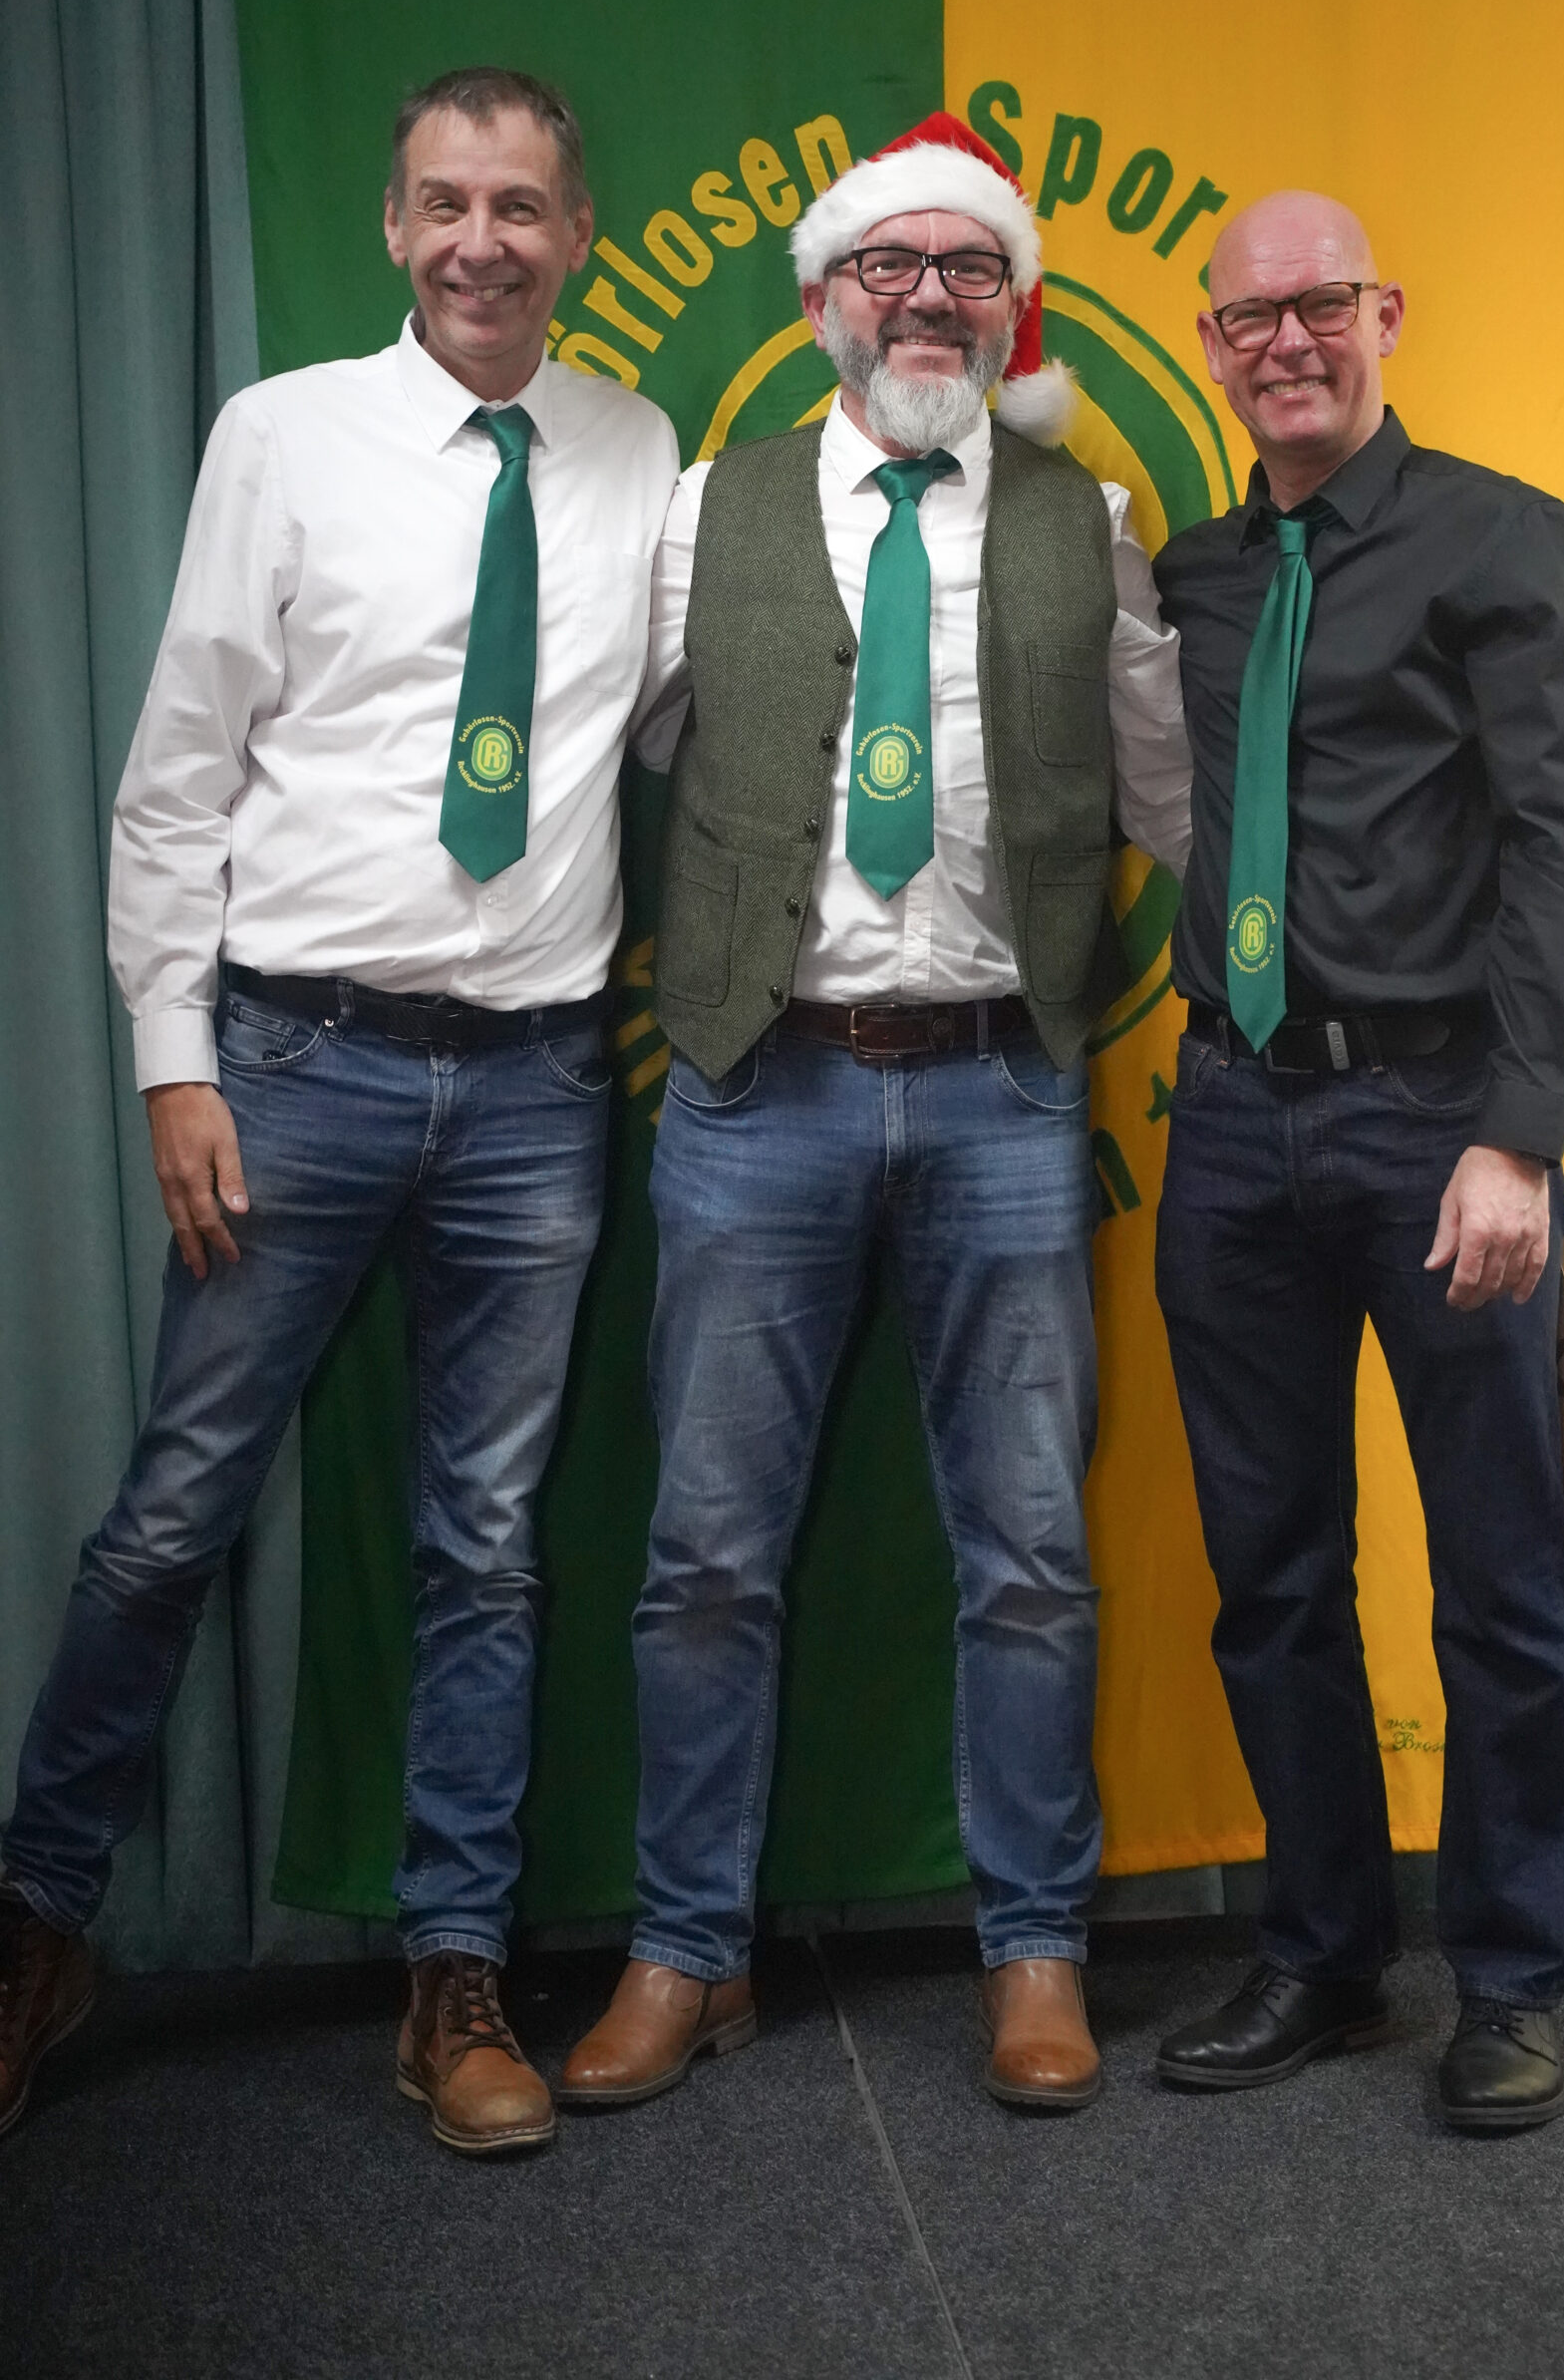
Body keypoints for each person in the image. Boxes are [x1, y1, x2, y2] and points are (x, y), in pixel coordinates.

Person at [0, 68, 679, 2157]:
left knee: (487, 1545)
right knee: (171, 1516)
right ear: (394, 226)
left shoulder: (639, 450)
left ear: (577, 235)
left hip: (540, 1082)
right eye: (445, 203)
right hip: (293, 1067)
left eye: (522, 207)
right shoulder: (280, 435)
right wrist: (172, 1056)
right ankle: (37, 1922)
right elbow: (180, 768)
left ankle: (452, 1972)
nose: (483, 241)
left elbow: (678, 719)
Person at [558, 113, 1191, 2116]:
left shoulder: (1086, 518)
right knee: (704, 1555)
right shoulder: (708, 509)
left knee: (1028, 1554)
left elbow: (1173, 791)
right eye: (890, 264)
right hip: (761, 1086)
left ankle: (1035, 1946)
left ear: (1013, 308)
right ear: (826, 296)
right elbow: (596, 757)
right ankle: (685, 1950)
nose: (930, 296)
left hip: (1007, 1087)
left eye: (970, 267)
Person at [1149, 190, 1564, 2131]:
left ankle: (1507, 1979)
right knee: (1270, 1572)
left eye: (1319, 305)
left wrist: (1518, 1134)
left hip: (1440, 1124)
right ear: (1210, 345)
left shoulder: (1501, 538)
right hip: (1228, 1119)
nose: (1286, 340)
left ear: (1384, 314)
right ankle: (1326, 1954)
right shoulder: (1196, 572)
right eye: (1249, 316)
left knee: (1498, 1576)